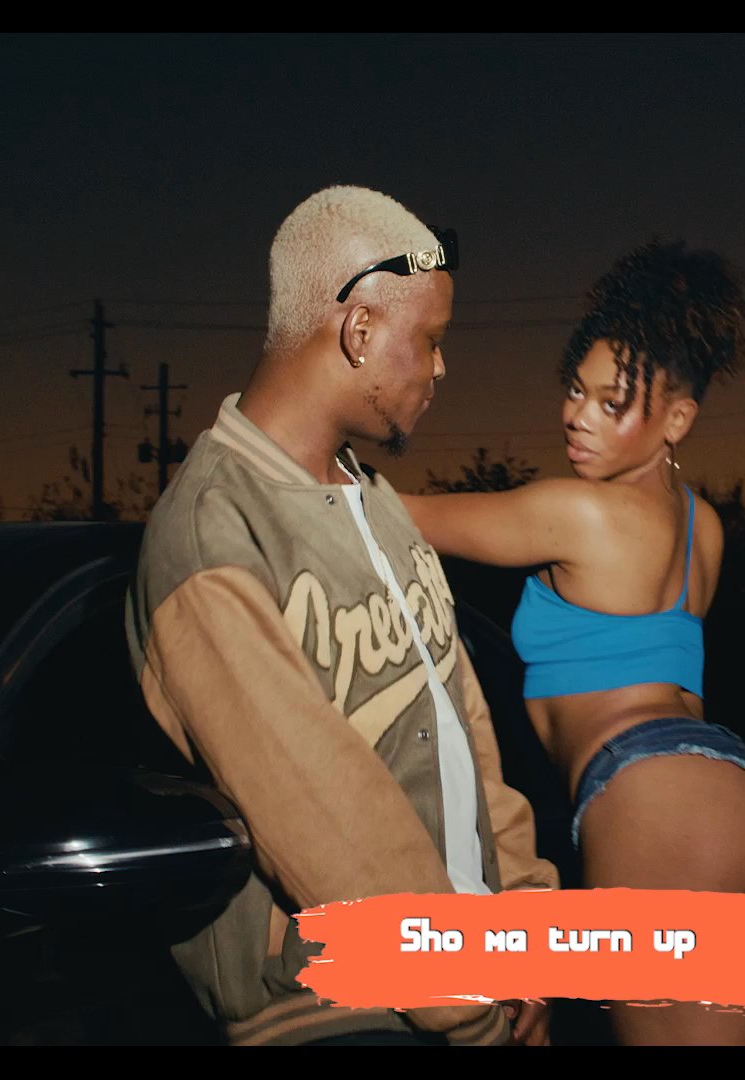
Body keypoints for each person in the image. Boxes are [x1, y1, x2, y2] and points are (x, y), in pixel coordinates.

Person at [125, 185, 557, 1047]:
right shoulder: (211, 529)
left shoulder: (378, 502)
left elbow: (468, 736)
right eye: (429, 339)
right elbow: (317, 806)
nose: (440, 368)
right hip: (341, 1017)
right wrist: (466, 1003)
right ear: (359, 330)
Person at [400, 241, 745, 1045]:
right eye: (575, 390)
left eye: (611, 402)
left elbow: (395, 515)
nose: (578, 416)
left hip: (663, 811)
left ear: (677, 420)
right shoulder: (704, 526)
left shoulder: (577, 512)